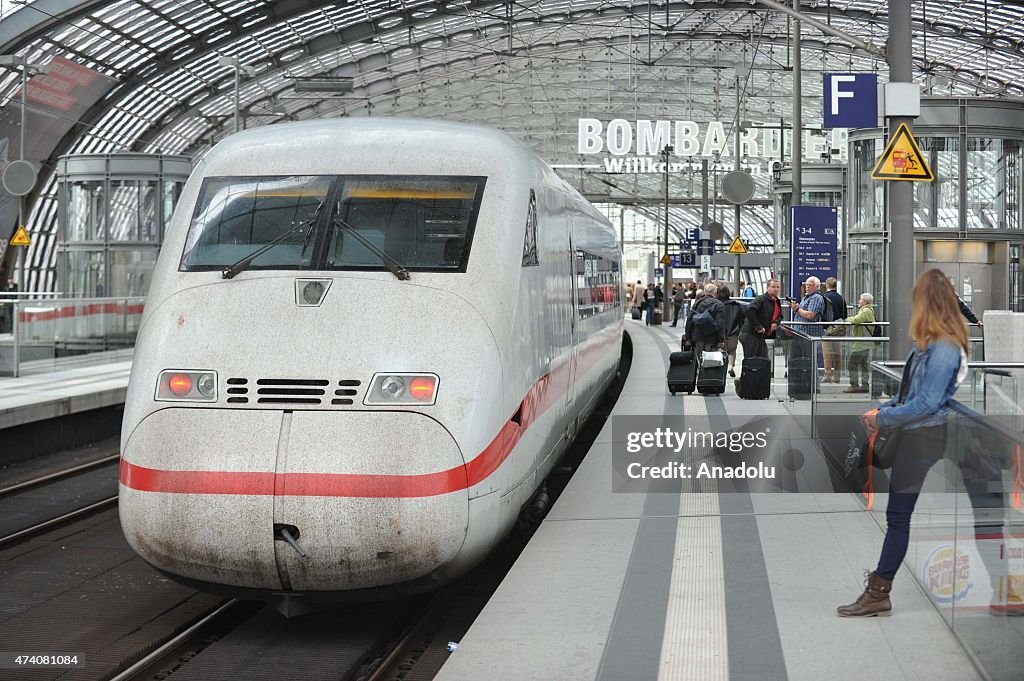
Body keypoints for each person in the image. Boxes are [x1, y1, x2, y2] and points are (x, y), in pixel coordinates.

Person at [837, 269, 968, 617]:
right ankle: (880, 588)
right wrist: (883, 407)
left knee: (898, 515)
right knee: (898, 514)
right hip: (914, 433)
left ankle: (880, 590)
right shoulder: (928, 342)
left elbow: (926, 404)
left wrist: (883, 419)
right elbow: (908, 392)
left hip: (923, 437)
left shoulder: (944, 347)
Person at [789, 276, 827, 388]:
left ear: (817, 286)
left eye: (810, 285)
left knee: (810, 359)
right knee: (803, 359)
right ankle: (804, 383)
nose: (807, 287)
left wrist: (797, 309)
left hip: (810, 334)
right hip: (801, 333)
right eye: (806, 285)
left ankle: (815, 386)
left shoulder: (816, 298)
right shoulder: (806, 297)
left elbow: (810, 315)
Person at [738, 278, 781, 360]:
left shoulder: (776, 301)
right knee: (751, 361)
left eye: (777, 287)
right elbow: (750, 310)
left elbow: (779, 315)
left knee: (763, 360)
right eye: (773, 286)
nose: (776, 289)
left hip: (760, 335)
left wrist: (776, 322)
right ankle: (747, 373)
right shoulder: (761, 299)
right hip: (750, 334)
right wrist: (758, 326)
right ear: (767, 287)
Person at [843, 293, 876, 394]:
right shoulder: (868, 310)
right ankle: (865, 386)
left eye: (860, 299)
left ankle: (854, 385)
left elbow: (856, 320)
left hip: (862, 343)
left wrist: (847, 319)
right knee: (863, 364)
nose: (858, 301)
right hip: (866, 342)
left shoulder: (865, 311)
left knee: (852, 363)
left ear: (865, 302)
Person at [684, 283, 726, 355]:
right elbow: (720, 323)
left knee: (698, 358)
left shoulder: (697, 303)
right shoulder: (718, 304)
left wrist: (688, 338)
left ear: (704, 292)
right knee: (711, 360)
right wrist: (721, 340)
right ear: (715, 292)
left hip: (698, 336)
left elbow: (689, 320)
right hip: (712, 338)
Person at [822, 277, 847, 384]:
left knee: (827, 353)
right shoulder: (841, 298)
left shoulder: (825, 297)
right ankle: (837, 377)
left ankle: (828, 375)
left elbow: (822, 313)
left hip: (827, 328)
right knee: (837, 353)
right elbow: (845, 314)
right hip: (838, 328)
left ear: (827, 285)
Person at [716, 284, 744, 377]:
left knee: (720, 351)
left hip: (719, 333)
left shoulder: (716, 305)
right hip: (733, 332)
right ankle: (731, 367)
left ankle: (721, 369)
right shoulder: (736, 305)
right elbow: (742, 318)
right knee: (732, 351)